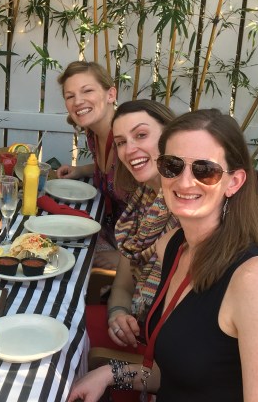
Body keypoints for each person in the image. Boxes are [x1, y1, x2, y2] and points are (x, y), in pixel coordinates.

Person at [69, 109, 258, 402]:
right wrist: (110, 374)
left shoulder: (255, 282)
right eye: (172, 166)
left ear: (234, 182)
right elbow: (174, 376)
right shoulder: (174, 246)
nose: (185, 181)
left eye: (205, 169)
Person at [86, 100, 179, 366]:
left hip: (164, 355)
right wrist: (117, 314)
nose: (129, 150)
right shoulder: (144, 199)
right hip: (134, 330)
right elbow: (123, 287)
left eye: (141, 135)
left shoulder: (190, 208)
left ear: (171, 136)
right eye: (121, 142)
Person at [56, 61, 126, 269]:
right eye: (70, 96)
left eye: (87, 91)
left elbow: (162, 214)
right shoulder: (93, 132)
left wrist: (124, 259)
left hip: (135, 248)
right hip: (108, 226)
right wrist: (81, 170)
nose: (78, 101)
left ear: (111, 95)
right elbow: (108, 169)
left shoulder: (128, 140)